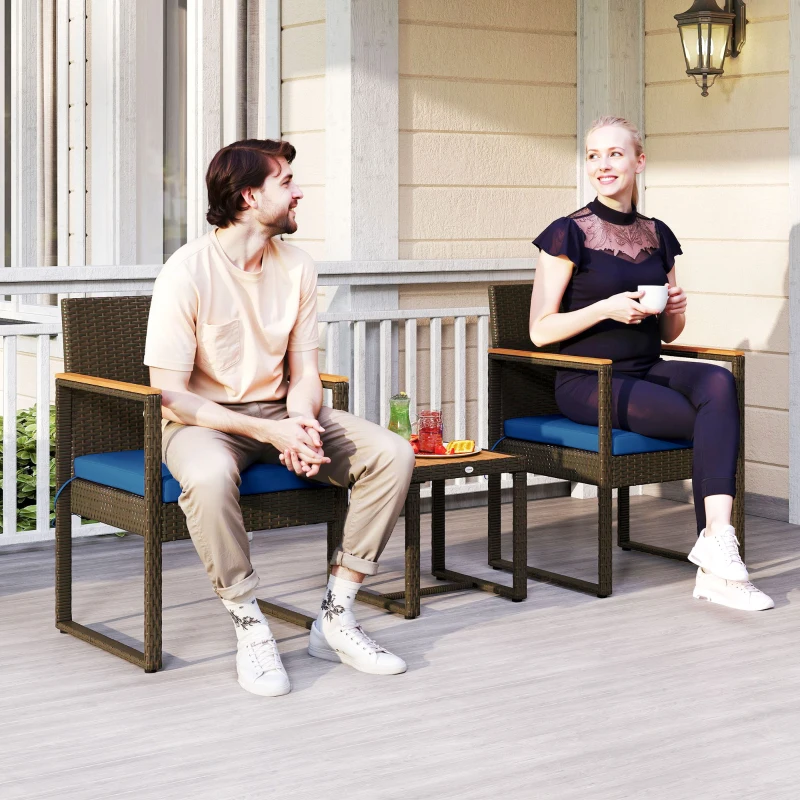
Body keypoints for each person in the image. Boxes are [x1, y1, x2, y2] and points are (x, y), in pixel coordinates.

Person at [144, 139, 415, 696]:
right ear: (249, 196)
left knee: (393, 453)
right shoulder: (187, 271)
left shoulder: (298, 265)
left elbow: (305, 369)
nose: (298, 192)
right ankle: (249, 625)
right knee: (208, 476)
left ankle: (335, 618)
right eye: (286, 181)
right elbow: (168, 393)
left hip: (280, 412)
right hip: (202, 423)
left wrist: (300, 422)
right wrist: (270, 431)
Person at [528, 116, 772, 612]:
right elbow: (539, 330)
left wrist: (677, 311)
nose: (603, 165)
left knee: (718, 383)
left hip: (645, 367)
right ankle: (717, 558)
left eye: (615, 154)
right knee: (714, 422)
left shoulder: (659, 234)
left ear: (639, 161)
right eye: (594, 156)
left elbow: (666, 334)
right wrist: (605, 308)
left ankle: (716, 547)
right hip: (587, 381)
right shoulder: (567, 233)